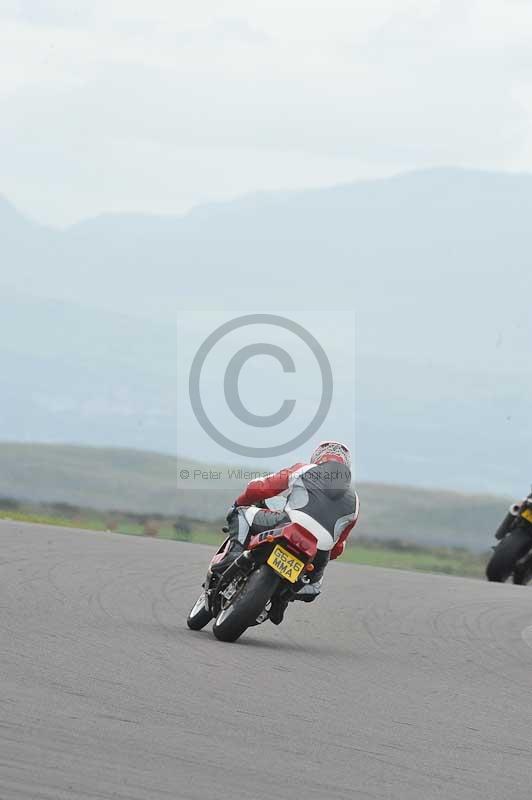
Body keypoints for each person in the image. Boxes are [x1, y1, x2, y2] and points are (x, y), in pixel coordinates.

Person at [215, 440, 359, 623]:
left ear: (318, 457)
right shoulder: (355, 501)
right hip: (319, 551)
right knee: (312, 584)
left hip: (288, 526)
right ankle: (282, 599)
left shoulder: (305, 469)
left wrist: (240, 502)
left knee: (240, 513)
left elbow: (260, 487)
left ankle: (234, 555)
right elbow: (338, 547)